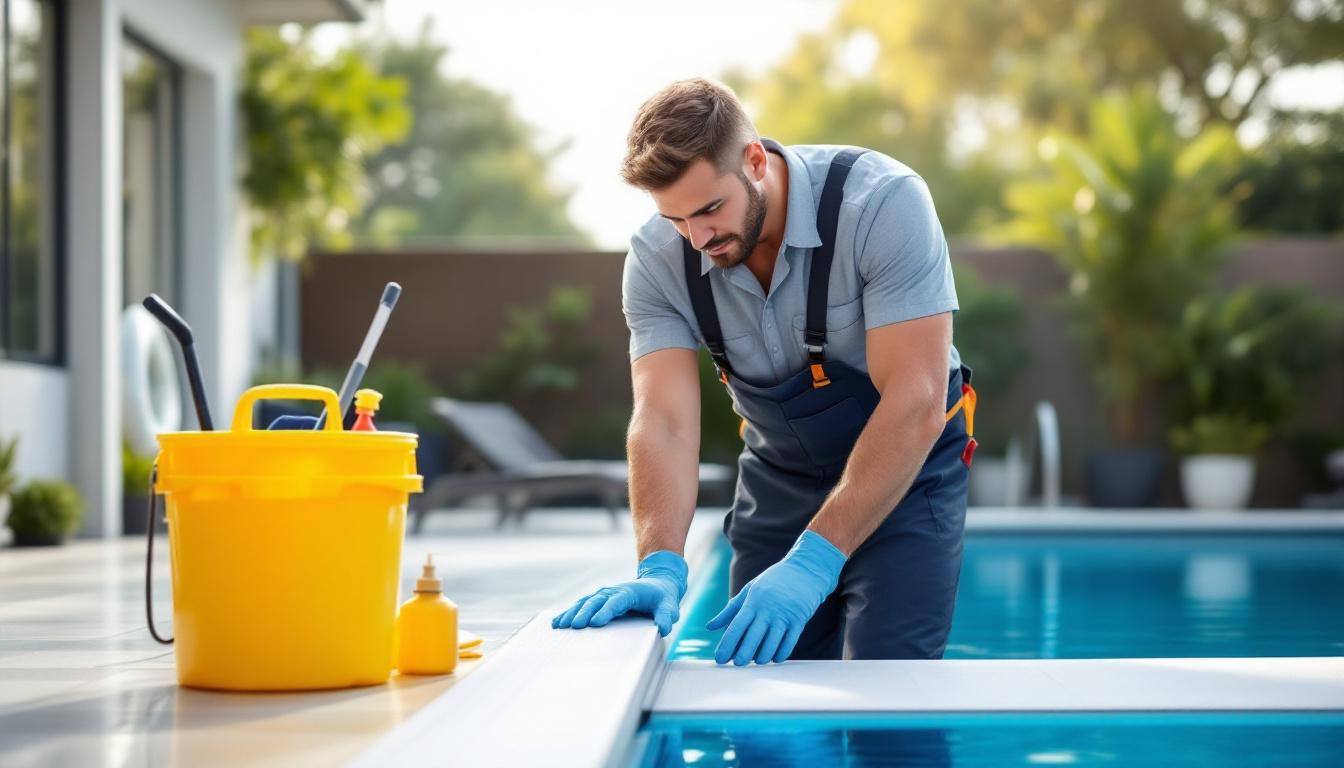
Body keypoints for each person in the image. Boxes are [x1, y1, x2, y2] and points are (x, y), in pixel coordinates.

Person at [553, 78, 976, 665]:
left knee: (888, 681)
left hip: (906, 468)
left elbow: (916, 400)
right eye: (675, 219)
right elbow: (664, 420)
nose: (698, 238)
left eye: (710, 209)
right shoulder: (655, 261)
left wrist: (814, 562)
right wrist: (660, 563)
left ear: (755, 161)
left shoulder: (882, 204)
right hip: (779, 476)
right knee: (760, 694)